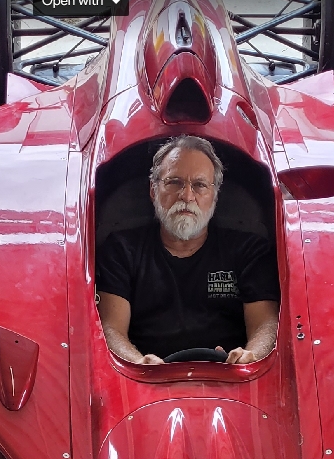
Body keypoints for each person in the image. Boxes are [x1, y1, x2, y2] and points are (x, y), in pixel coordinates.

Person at [96, 135, 280, 365]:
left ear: (214, 195)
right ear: (154, 190)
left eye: (200, 185)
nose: (186, 195)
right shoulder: (120, 250)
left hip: (231, 383)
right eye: (174, 182)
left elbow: (266, 324)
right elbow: (111, 329)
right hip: (142, 385)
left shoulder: (250, 251)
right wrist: (140, 363)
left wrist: (249, 357)